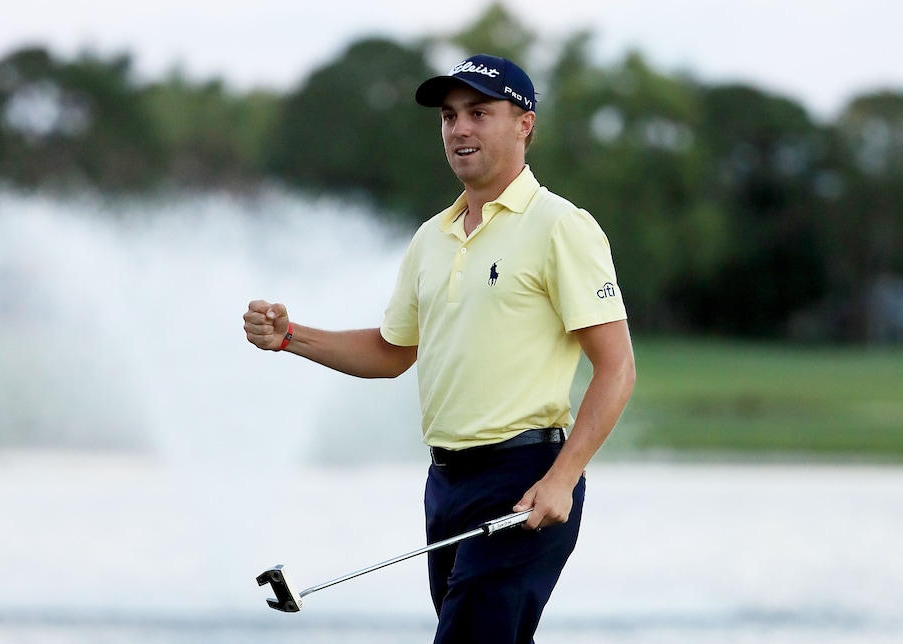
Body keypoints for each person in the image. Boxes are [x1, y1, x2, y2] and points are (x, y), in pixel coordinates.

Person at [243, 53, 636, 644]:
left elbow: (617, 367)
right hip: (446, 483)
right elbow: (391, 352)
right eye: (450, 116)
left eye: (479, 112)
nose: (459, 129)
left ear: (524, 123)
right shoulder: (432, 237)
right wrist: (292, 337)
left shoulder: (561, 226)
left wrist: (563, 478)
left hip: (525, 478)